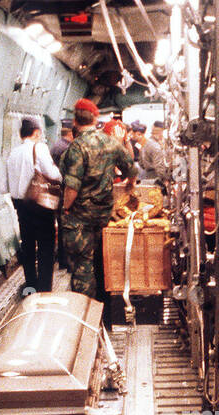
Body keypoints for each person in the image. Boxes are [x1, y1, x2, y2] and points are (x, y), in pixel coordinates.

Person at [59, 98, 137, 304]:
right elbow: (131, 168)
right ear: (95, 119)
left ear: (75, 121)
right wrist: (130, 184)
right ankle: (107, 310)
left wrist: (65, 209)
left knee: (83, 266)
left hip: (80, 218)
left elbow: (72, 187)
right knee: (104, 262)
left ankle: (87, 313)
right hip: (104, 216)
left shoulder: (76, 147)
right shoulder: (110, 142)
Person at [4, 115, 61, 294]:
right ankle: (44, 288)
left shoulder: (12, 153)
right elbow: (53, 174)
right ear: (36, 133)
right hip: (40, 204)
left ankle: (30, 285)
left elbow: (2, 186)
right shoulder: (40, 148)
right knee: (46, 245)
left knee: (27, 244)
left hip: (21, 206)